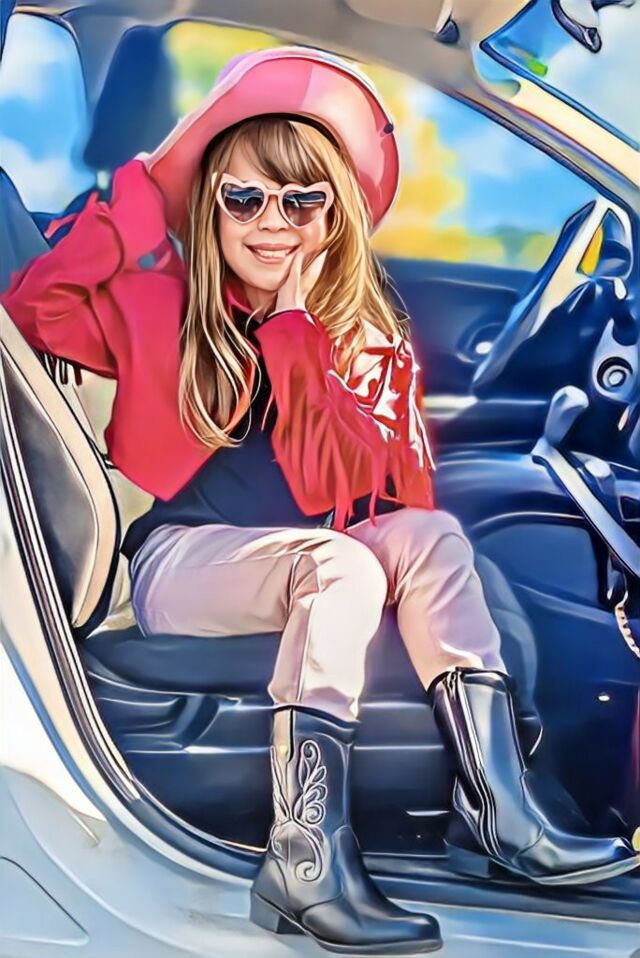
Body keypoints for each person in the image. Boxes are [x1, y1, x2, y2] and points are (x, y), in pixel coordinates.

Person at [1, 45, 638, 956]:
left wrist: (296, 337)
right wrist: (139, 199)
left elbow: (350, 485)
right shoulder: (164, 306)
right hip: (182, 562)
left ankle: (500, 809)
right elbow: (36, 309)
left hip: (306, 551)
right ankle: (304, 858)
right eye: (244, 199)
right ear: (210, 204)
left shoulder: (359, 336)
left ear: (335, 216)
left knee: (432, 537)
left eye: (302, 202)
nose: (273, 223)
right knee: (339, 567)